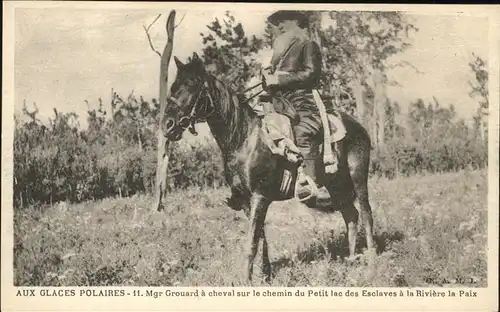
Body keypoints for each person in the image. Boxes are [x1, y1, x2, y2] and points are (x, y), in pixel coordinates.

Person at [261, 10, 343, 204]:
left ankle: (312, 184)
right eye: (276, 23)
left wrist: (278, 79)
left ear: (298, 24)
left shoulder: (308, 45)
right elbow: (271, 83)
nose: (279, 26)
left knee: (302, 130)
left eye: (283, 21)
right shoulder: (277, 55)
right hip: (278, 103)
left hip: (302, 101)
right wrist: (266, 78)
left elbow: (311, 74)